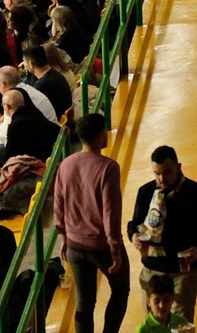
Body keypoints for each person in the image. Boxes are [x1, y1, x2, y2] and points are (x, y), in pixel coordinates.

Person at [127, 146, 197, 321]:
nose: (161, 179)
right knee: (153, 323)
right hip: (152, 270)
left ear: (179, 167)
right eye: (156, 173)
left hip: (183, 273)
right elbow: (134, 225)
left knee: (182, 322)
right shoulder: (146, 192)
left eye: (166, 172)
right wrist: (133, 236)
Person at [54, 113, 129, 333]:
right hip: (102, 246)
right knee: (120, 289)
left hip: (75, 245)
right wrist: (115, 248)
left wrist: (64, 238)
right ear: (98, 136)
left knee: (85, 303)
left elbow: (59, 206)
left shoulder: (65, 165)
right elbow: (110, 212)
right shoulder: (108, 168)